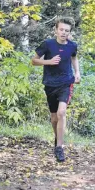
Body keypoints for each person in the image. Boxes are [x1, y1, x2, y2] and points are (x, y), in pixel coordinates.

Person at [31, 17, 80, 162]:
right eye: (61, 29)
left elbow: (74, 58)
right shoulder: (48, 44)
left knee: (61, 112)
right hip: (50, 84)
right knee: (54, 118)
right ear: (56, 30)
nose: (64, 32)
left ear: (70, 32)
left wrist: (77, 73)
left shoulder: (72, 46)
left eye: (67, 30)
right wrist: (49, 62)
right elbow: (34, 60)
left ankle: (59, 147)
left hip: (66, 83)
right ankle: (57, 138)